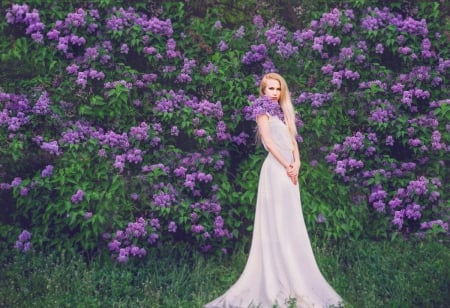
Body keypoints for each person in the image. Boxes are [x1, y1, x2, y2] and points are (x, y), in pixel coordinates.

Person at [204, 73, 343, 307]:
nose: (275, 93)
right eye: (270, 89)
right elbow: (269, 142)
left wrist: (297, 164)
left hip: (290, 172)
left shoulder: (283, 111)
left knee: (290, 221)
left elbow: (293, 141)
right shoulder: (262, 111)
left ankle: (294, 273)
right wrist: (287, 165)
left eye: (278, 89)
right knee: (277, 221)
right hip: (276, 171)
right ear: (263, 91)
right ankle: (277, 274)